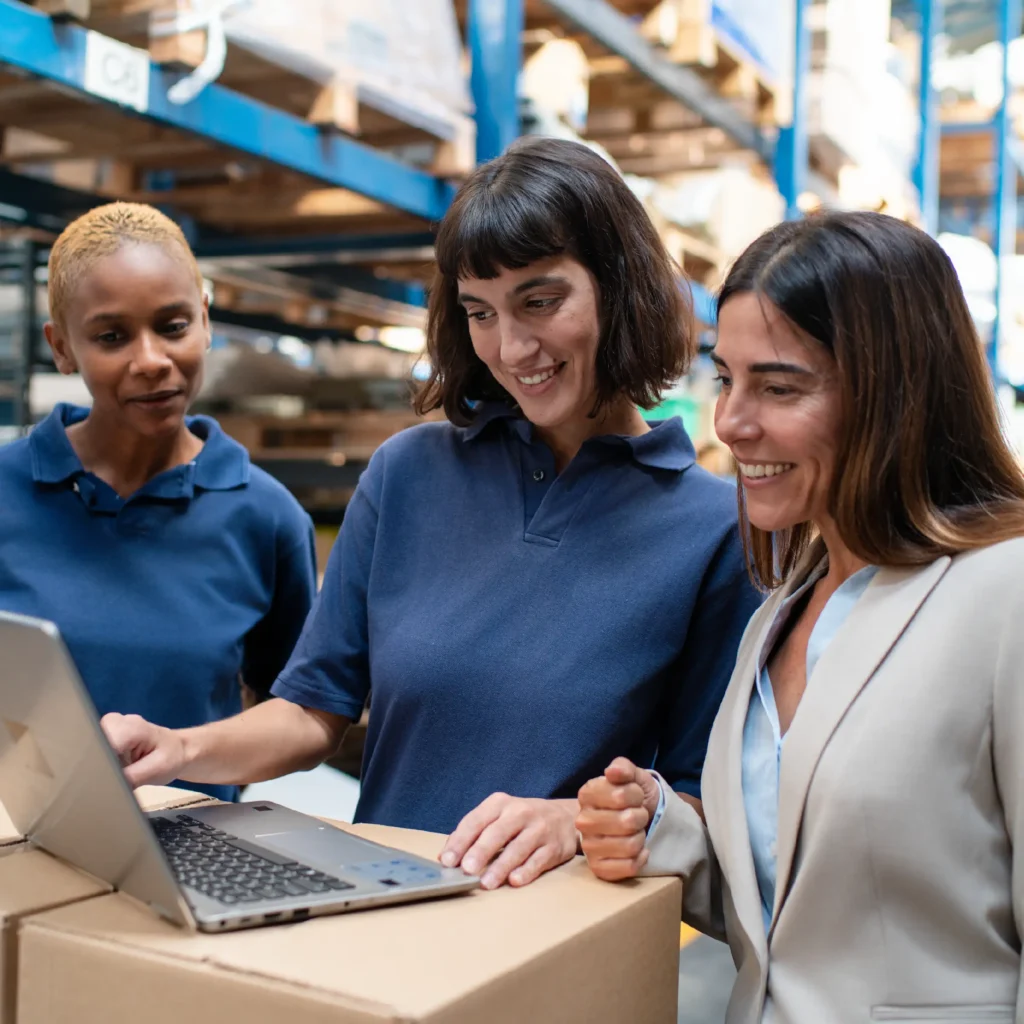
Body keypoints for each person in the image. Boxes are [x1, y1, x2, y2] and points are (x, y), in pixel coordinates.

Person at [102, 137, 761, 890]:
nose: (511, 348)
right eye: (481, 312)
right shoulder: (407, 474)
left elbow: (704, 803)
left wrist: (575, 822)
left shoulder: (718, 529)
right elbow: (313, 711)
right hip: (378, 909)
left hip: (562, 934)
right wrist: (179, 750)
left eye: (540, 302)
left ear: (618, 286)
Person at [576, 210, 1024, 1021]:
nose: (730, 422)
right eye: (726, 378)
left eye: (779, 387)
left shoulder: (1005, 596)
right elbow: (793, 906)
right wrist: (660, 825)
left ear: (897, 395)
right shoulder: (782, 609)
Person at [0, 202, 317, 801]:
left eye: (173, 326)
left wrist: (190, 753)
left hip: (189, 841)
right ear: (61, 347)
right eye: (111, 337)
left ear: (205, 319)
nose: (151, 361)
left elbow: (301, 716)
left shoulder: (266, 518)